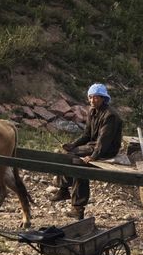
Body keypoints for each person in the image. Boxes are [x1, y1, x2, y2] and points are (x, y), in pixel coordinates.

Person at [52, 82, 123, 219]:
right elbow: (87, 135)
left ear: (103, 98)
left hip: (106, 149)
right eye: (90, 97)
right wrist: (73, 145)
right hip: (93, 145)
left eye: (96, 97)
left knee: (79, 165)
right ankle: (64, 189)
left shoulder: (110, 116)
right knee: (67, 154)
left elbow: (104, 141)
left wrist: (93, 156)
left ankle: (77, 208)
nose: (92, 100)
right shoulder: (92, 111)